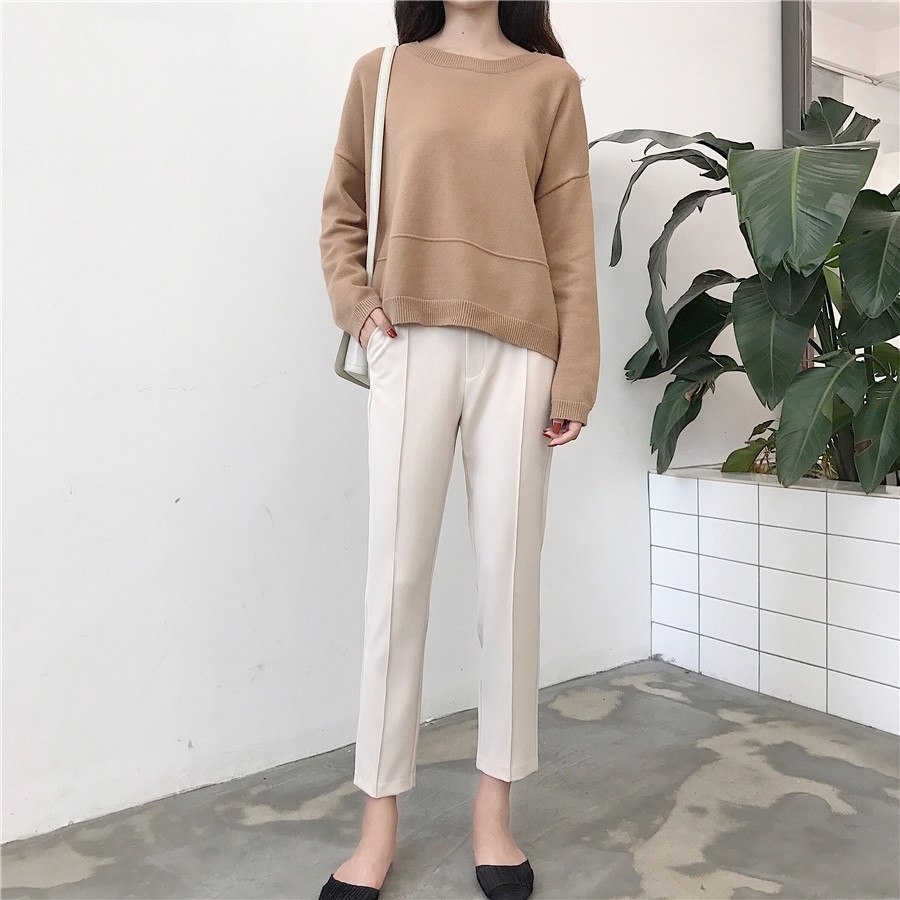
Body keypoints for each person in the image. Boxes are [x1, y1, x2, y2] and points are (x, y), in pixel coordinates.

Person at [318, 1, 599, 897]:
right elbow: (341, 211)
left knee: (509, 582)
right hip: (408, 339)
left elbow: (569, 244)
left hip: (522, 352)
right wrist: (362, 311)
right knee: (396, 579)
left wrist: (575, 375)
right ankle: (377, 822)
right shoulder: (383, 74)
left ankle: (494, 815)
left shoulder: (550, 83)